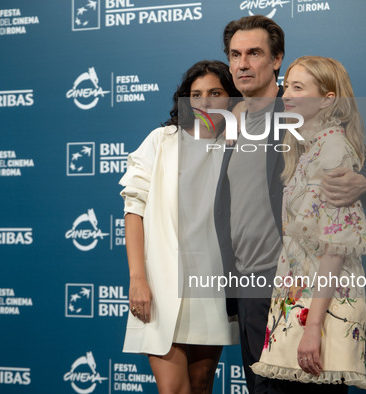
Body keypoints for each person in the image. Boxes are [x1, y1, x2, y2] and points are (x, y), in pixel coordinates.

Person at [214, 15, 366, 394]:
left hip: (293, 287)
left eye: (254, 53)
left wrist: (363, 179)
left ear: (276, 60)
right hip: (249, 287)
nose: (242, 63)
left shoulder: (295, 110)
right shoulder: (232, 120)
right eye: (235, 55)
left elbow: (363, 156)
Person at [251, 56, 366, 392]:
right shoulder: (307, 148)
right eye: (286, 86)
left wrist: (313, 326)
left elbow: (335, 247)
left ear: (328, 98)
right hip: (297, 299)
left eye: (298, 87)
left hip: (320, 308)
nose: (287, 95)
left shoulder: (333, 149)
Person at [119, 60, 242, 394]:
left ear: (231, 98)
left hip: (213, 284)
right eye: (196, 93)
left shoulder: (239, 146)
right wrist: (137, 279)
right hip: (161, 285)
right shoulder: (162, 140)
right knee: (173, 389)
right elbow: (134, 210)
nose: (203, 101)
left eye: (215, 93)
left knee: (201, 385)